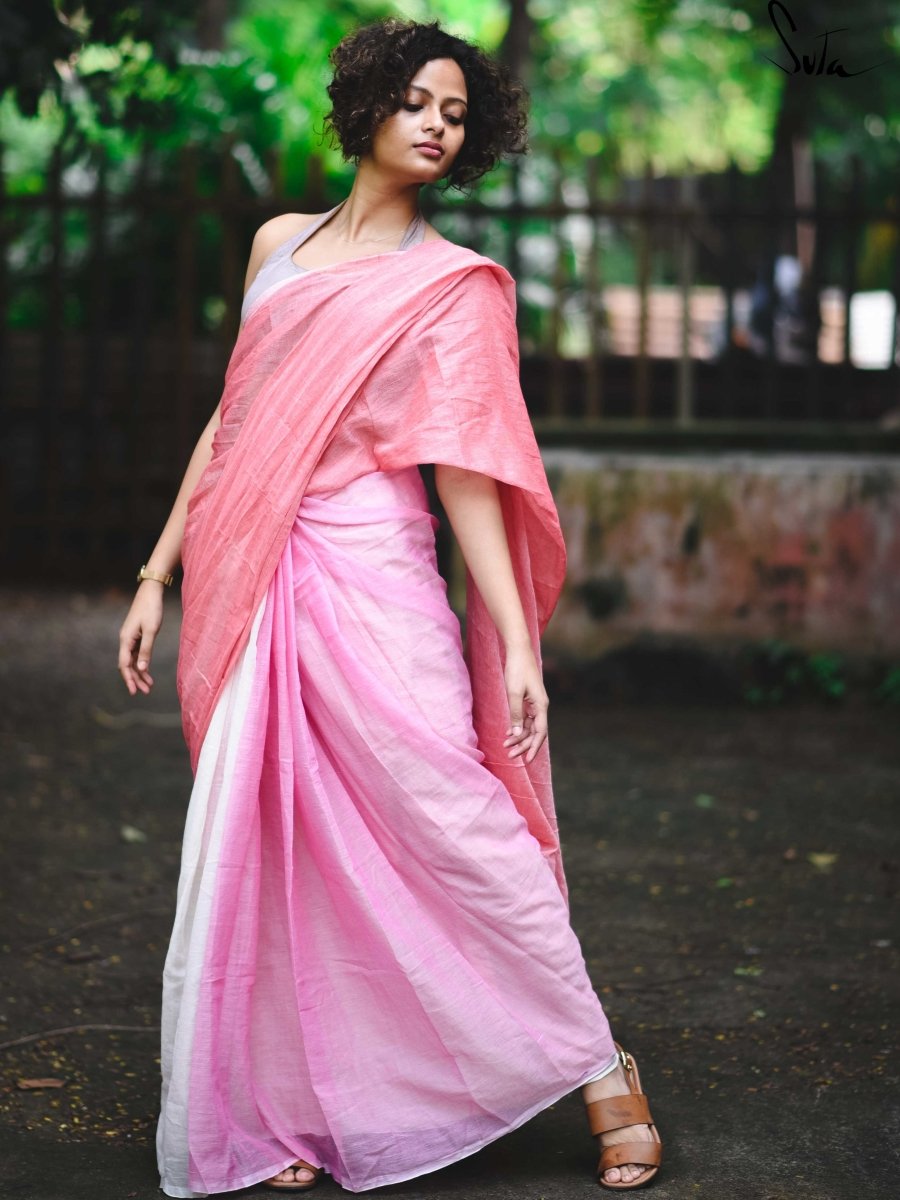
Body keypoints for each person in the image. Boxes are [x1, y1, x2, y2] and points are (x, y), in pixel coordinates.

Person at [117, 17, 662, 1196]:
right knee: (283, 834)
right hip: (251, 566)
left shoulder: (448, 289)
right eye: (417, 99)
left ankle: (596, 1061)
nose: (434, 123)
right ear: (367, 103)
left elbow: (468, 472)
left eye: (456, 113)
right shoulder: (277, 243)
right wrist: (158, 573)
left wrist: (517, 643)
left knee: (458, 818)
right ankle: (287, 1109)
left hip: (377, 572)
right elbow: (236, 423)